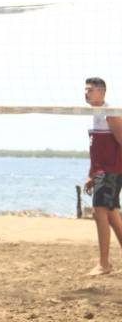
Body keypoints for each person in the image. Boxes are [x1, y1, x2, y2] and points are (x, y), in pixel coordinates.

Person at [84, 77, 122, 276]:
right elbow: (97, 149)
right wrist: (91, 174)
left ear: (102, 92)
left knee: (99, 213)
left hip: (110, 171)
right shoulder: (95, 114)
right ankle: (105, 263)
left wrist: (111, 172)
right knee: (113, 216)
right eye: (85, 89)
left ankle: (104, 264)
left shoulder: (110, 113)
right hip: (101, 171)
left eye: (90, 89)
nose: (86, 93)